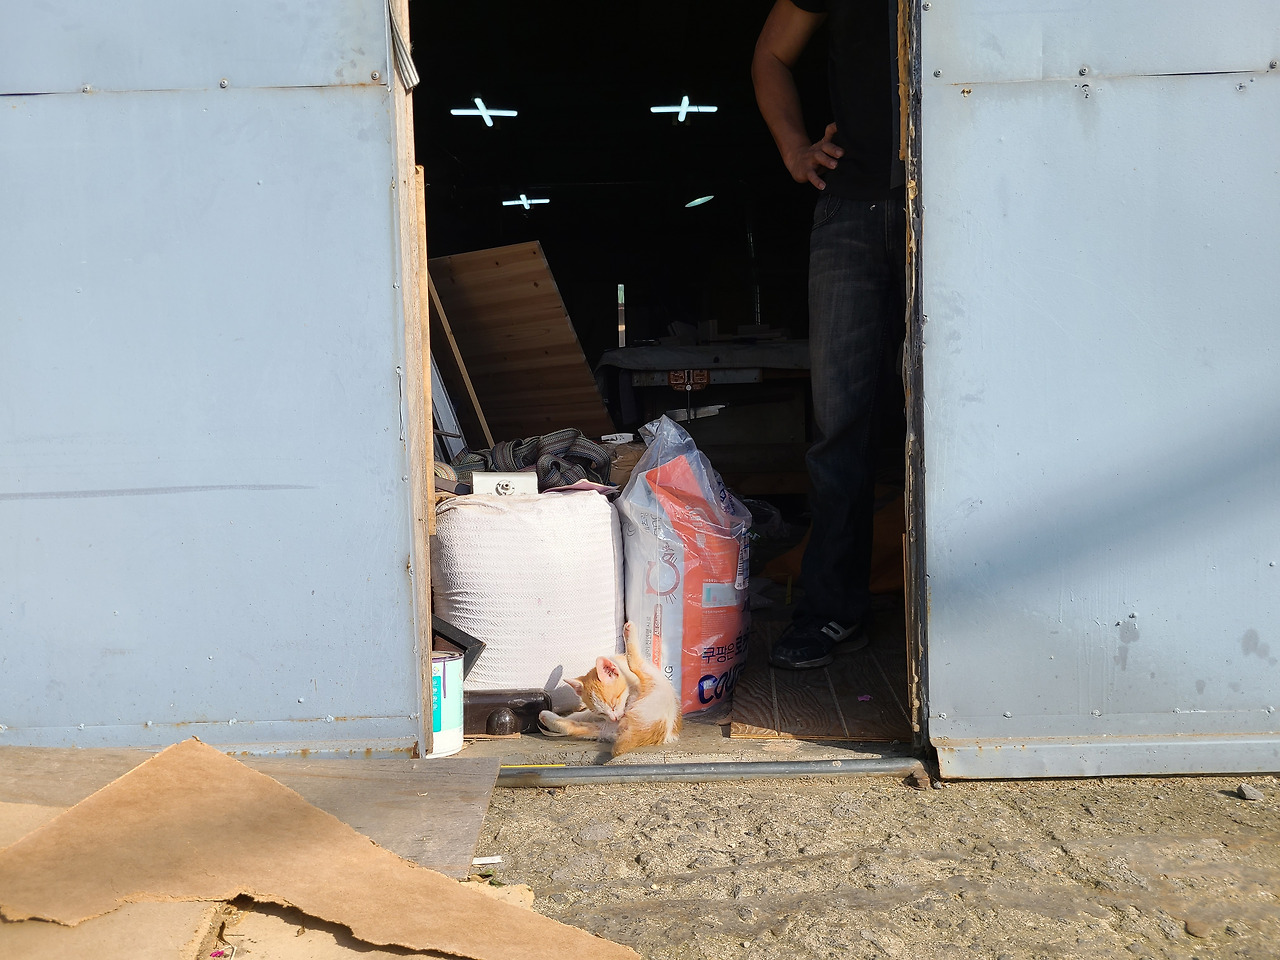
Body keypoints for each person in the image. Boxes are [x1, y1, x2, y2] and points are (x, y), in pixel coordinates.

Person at [752, 0, 906, 669]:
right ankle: (832, 611)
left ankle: (979, 609)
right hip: (852, 211)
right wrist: (794, 148)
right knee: (840, 423)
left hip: (961, 199)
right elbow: (771, 54)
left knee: (967, 415)